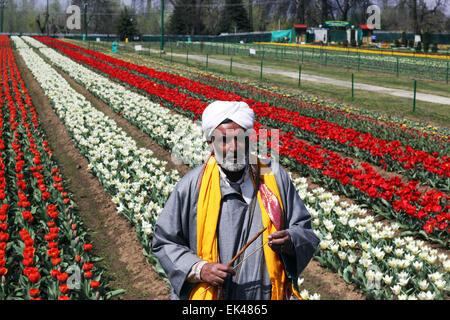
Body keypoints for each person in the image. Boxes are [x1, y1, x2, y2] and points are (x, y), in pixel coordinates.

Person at [151, 101, 319, 300]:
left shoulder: (273, 177)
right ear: (210, 143)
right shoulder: (192, 186)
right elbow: (164, 242)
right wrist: (200, 269)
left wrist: (291, 240)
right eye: (224, 139)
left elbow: (304, 229)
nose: (234, 147)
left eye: (241, 138)